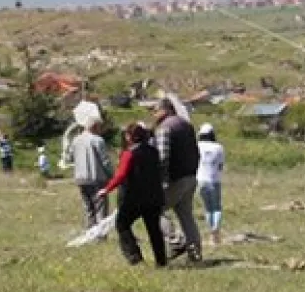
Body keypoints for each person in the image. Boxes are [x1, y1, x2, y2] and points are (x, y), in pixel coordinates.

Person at [97, 123, 167, 267]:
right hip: (153, 196)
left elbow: (121, 175)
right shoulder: (154, 151)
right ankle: (161, 261)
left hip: (133, 198)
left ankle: (135, 257)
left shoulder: (129, 153)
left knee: (122, 224)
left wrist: (106, 189)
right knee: (154, 229)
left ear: (129, 137)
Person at [152, 98, 203, 262]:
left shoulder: (165, 128)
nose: (153, 114)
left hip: (174, 179)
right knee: (186, 215)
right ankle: (195, 252)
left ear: (165, 110)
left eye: (155, 110)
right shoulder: (186, 125)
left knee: (153, 211)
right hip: (190, 176)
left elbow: (162, 157)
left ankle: (175, 241)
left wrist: (160, 181)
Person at [67, 116, 114, 229]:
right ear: (95, 127)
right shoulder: (97, 140)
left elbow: (70, 157)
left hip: (81, 179)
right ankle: (100, 235)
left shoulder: (76, 140)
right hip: (96, 178)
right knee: (100, 208)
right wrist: (112, 175)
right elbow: (105, 161)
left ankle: (90, 231)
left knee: (88, 208)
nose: (101, 130)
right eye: (100, 127)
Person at [196, 123, 226, 246]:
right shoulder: (219, 147)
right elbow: (221, 165)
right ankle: (216, 230)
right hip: (214, 180)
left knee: (208, 208)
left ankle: (211, 231)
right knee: (216, 208)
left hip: (200, 180)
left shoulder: (197, 146)